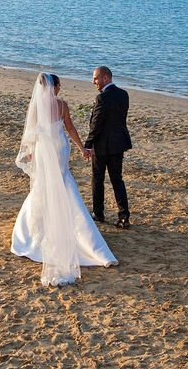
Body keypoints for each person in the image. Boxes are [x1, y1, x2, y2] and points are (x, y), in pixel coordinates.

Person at [12, 73, 118, 287]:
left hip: (43, 149)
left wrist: (32, 152)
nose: (59, 89)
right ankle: (81, 236)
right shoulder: (61, 105)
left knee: (44, 184)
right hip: (59, 147)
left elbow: (30, 134)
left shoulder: (35, 107)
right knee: (63, 181)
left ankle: (34, 232)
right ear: (55, 87)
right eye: (58, 86)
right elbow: (70, 129)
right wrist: (82, 148)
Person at [83, 66, 132, 228]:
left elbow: (96, 123)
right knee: (117, 179)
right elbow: (119, 119)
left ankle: (98, 213)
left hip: (102, 145)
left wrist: (88, 144)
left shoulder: (102, 98)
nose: (93, 82)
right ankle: (124, 216)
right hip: (118, 144)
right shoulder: (124, 95)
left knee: (98, 179)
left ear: (105, 78)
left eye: (96, 78)